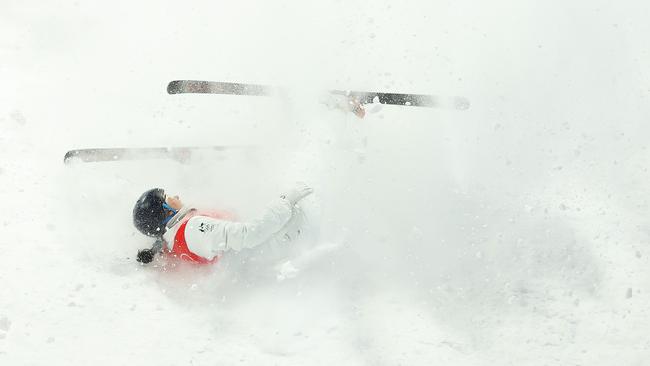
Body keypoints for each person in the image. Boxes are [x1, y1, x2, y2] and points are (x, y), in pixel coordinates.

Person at [132, 183, 313, 265]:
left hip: (267, 252)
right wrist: (285, 200)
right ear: (165, 211)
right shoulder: (194, 229)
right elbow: (250, 234)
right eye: (167, 198)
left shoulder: (172, 239)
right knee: (310, 203)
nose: (176, 197)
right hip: (279, 244)